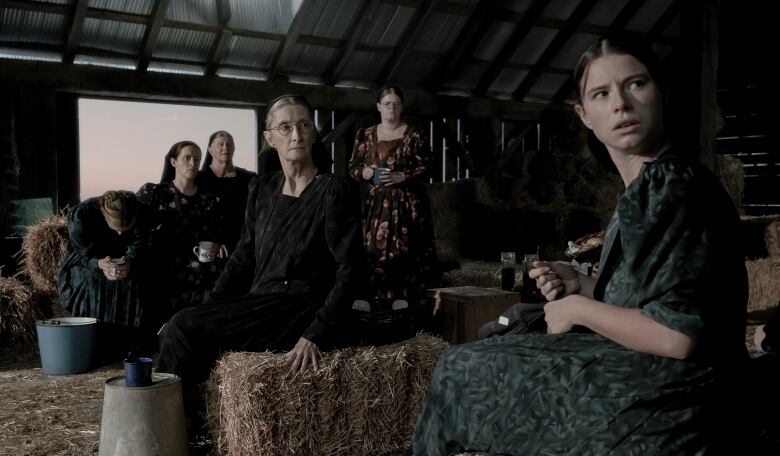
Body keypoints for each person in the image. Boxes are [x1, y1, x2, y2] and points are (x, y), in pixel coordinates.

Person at [411, 37, 749, 455]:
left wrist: (576, 309)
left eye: (636, 84)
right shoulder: (653, 184)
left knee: (457, 370)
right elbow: (649, 297)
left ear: (661, 92)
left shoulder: (670, 185)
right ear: (584, 115)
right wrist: (580, 285)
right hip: (676, 376)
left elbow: (675, 335)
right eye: (601, 94)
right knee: (492, 343)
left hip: (680, 391)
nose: (621, 104)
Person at [156, 94, 364, 391]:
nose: (296, 135)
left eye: (304, 125)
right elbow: (244, 255)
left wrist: (315, 334)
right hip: (261, 301)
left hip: (301, 308)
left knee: (183, 327)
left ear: (313, 133)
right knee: (180, 323)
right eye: (285, 127)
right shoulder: (261, 188)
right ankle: (184, 416)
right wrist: (211, 305)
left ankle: (172, 422)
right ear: (269, 137)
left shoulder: (334, 190)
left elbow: (351, 268)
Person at [347, 84, 438, 302]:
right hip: (375, 208)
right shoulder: (366, 135)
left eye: (396, 104)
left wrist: (403, 177)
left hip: (407, 208)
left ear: (401, 107)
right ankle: (376, 307)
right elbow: (352, 167)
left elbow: (429, 168)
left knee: (405, 256)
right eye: (387, 104)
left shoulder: (414, 134)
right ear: (379, 106)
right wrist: (365, 172)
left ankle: (407, 308)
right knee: (372, 256)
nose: (392, 108)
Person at [57, 190, 156, 356]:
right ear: (104, 214)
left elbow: (140, 245)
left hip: (126, 257)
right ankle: (95, 342)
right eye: (116, 228)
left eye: (126, 229)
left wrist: (130, 262)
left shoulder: (141, 211)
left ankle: (132, 342)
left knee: (138, 280)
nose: (120, 234)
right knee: (90, 282)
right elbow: (83, 253)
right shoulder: (81, 215)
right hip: (87, 259)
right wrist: (100, 264)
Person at [136, 141, 227, 316]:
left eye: (197, 159)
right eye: (187, 158)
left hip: (202, 269)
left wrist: (220, 243)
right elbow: (131, 223)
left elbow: (218, 233)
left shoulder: (209, 199)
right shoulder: (154, 193)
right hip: (165, 268)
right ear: (173, 162)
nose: (193, 163)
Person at [197, 130, 257, 251]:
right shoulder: (199, 179)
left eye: (229, 144)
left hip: (243, 245)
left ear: (234, 148)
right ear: (210, 150)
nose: (226, 147)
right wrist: (213, 241)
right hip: (209, 246)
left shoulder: (249, 178)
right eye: (220, 144)